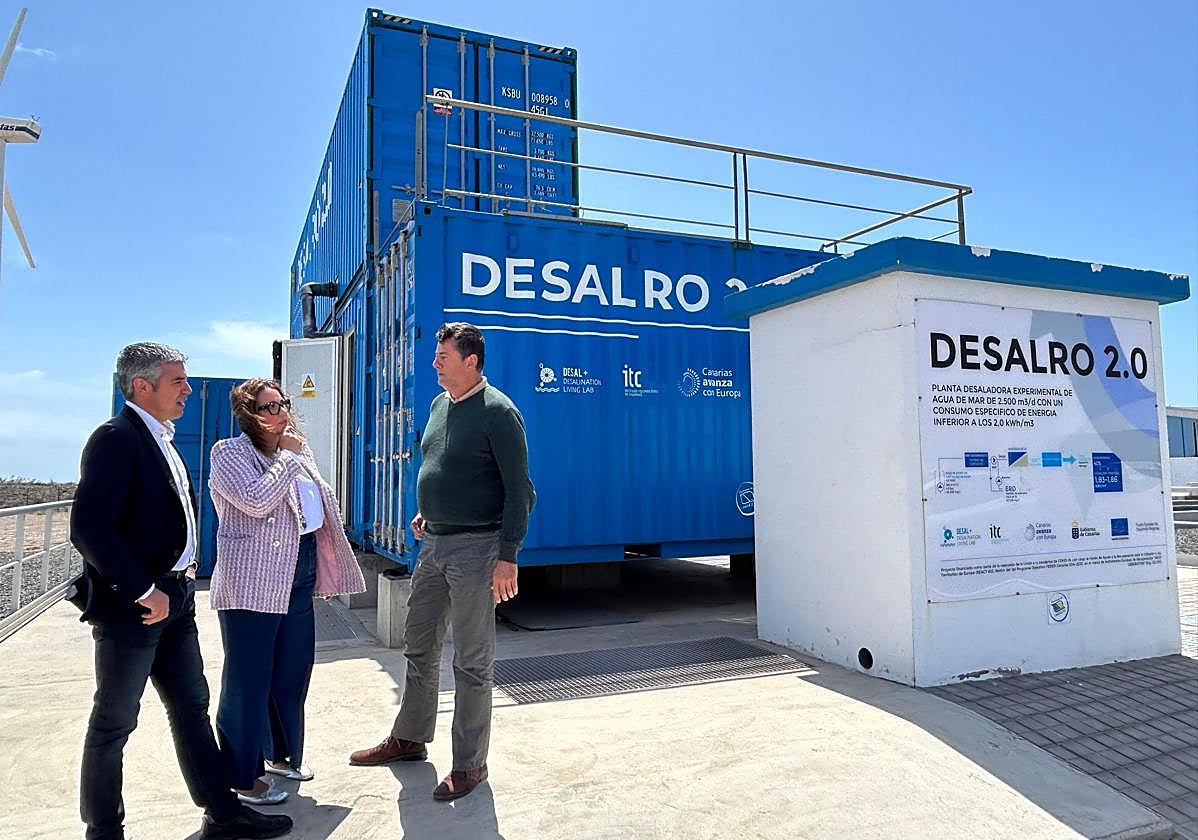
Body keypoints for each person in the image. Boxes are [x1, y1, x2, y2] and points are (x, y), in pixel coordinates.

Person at [69, 342, 292, 840]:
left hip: (177, 600)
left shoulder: (162, 438)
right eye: (178, 381)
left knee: (192, 707)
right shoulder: (116, 438)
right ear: (141, 386)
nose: (188, 389)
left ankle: (223, 813)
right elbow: (89, 527)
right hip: (136, 609)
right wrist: (142, 590)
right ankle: (104, 831)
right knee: (114, 722)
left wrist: (176, 585)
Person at [349, 322, 535, 801]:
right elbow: (440, 465)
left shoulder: (499, 412)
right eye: (436, 355)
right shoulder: (438, 406)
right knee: (419, 645)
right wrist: (425, 511)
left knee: (472, 661)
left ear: (471, 360)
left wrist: (507, 557)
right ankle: (410, 738)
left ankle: (471, 765)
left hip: (478, 549)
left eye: (444, 356)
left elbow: (521, 492)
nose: (435, 362)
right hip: (432, 543)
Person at [208, 379, 366, 805]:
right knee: (248, 680)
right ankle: (242, 776)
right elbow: (256, 502)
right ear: (249, 413)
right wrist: (288, 459)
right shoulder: (230, 453)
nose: (280, 412)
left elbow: (315, 503)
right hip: (252, 581)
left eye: (283, 404)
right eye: (268, 406)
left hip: (299, 570)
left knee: (292, 672)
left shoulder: (299, 449)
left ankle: (282, 755)